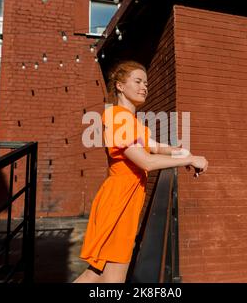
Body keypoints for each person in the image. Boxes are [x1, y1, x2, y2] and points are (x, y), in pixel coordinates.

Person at [73, 60, 208, 283]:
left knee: (94, 275)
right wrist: (191, 159)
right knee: (112, 280)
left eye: (146, 83)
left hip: (123, 200)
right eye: (137, 81)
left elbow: (157, 147)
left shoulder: (131, 122)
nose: (144, 87)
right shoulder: (117, 118)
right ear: (120, 86)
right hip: (119, 202)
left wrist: (185, 154)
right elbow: (146, 161)